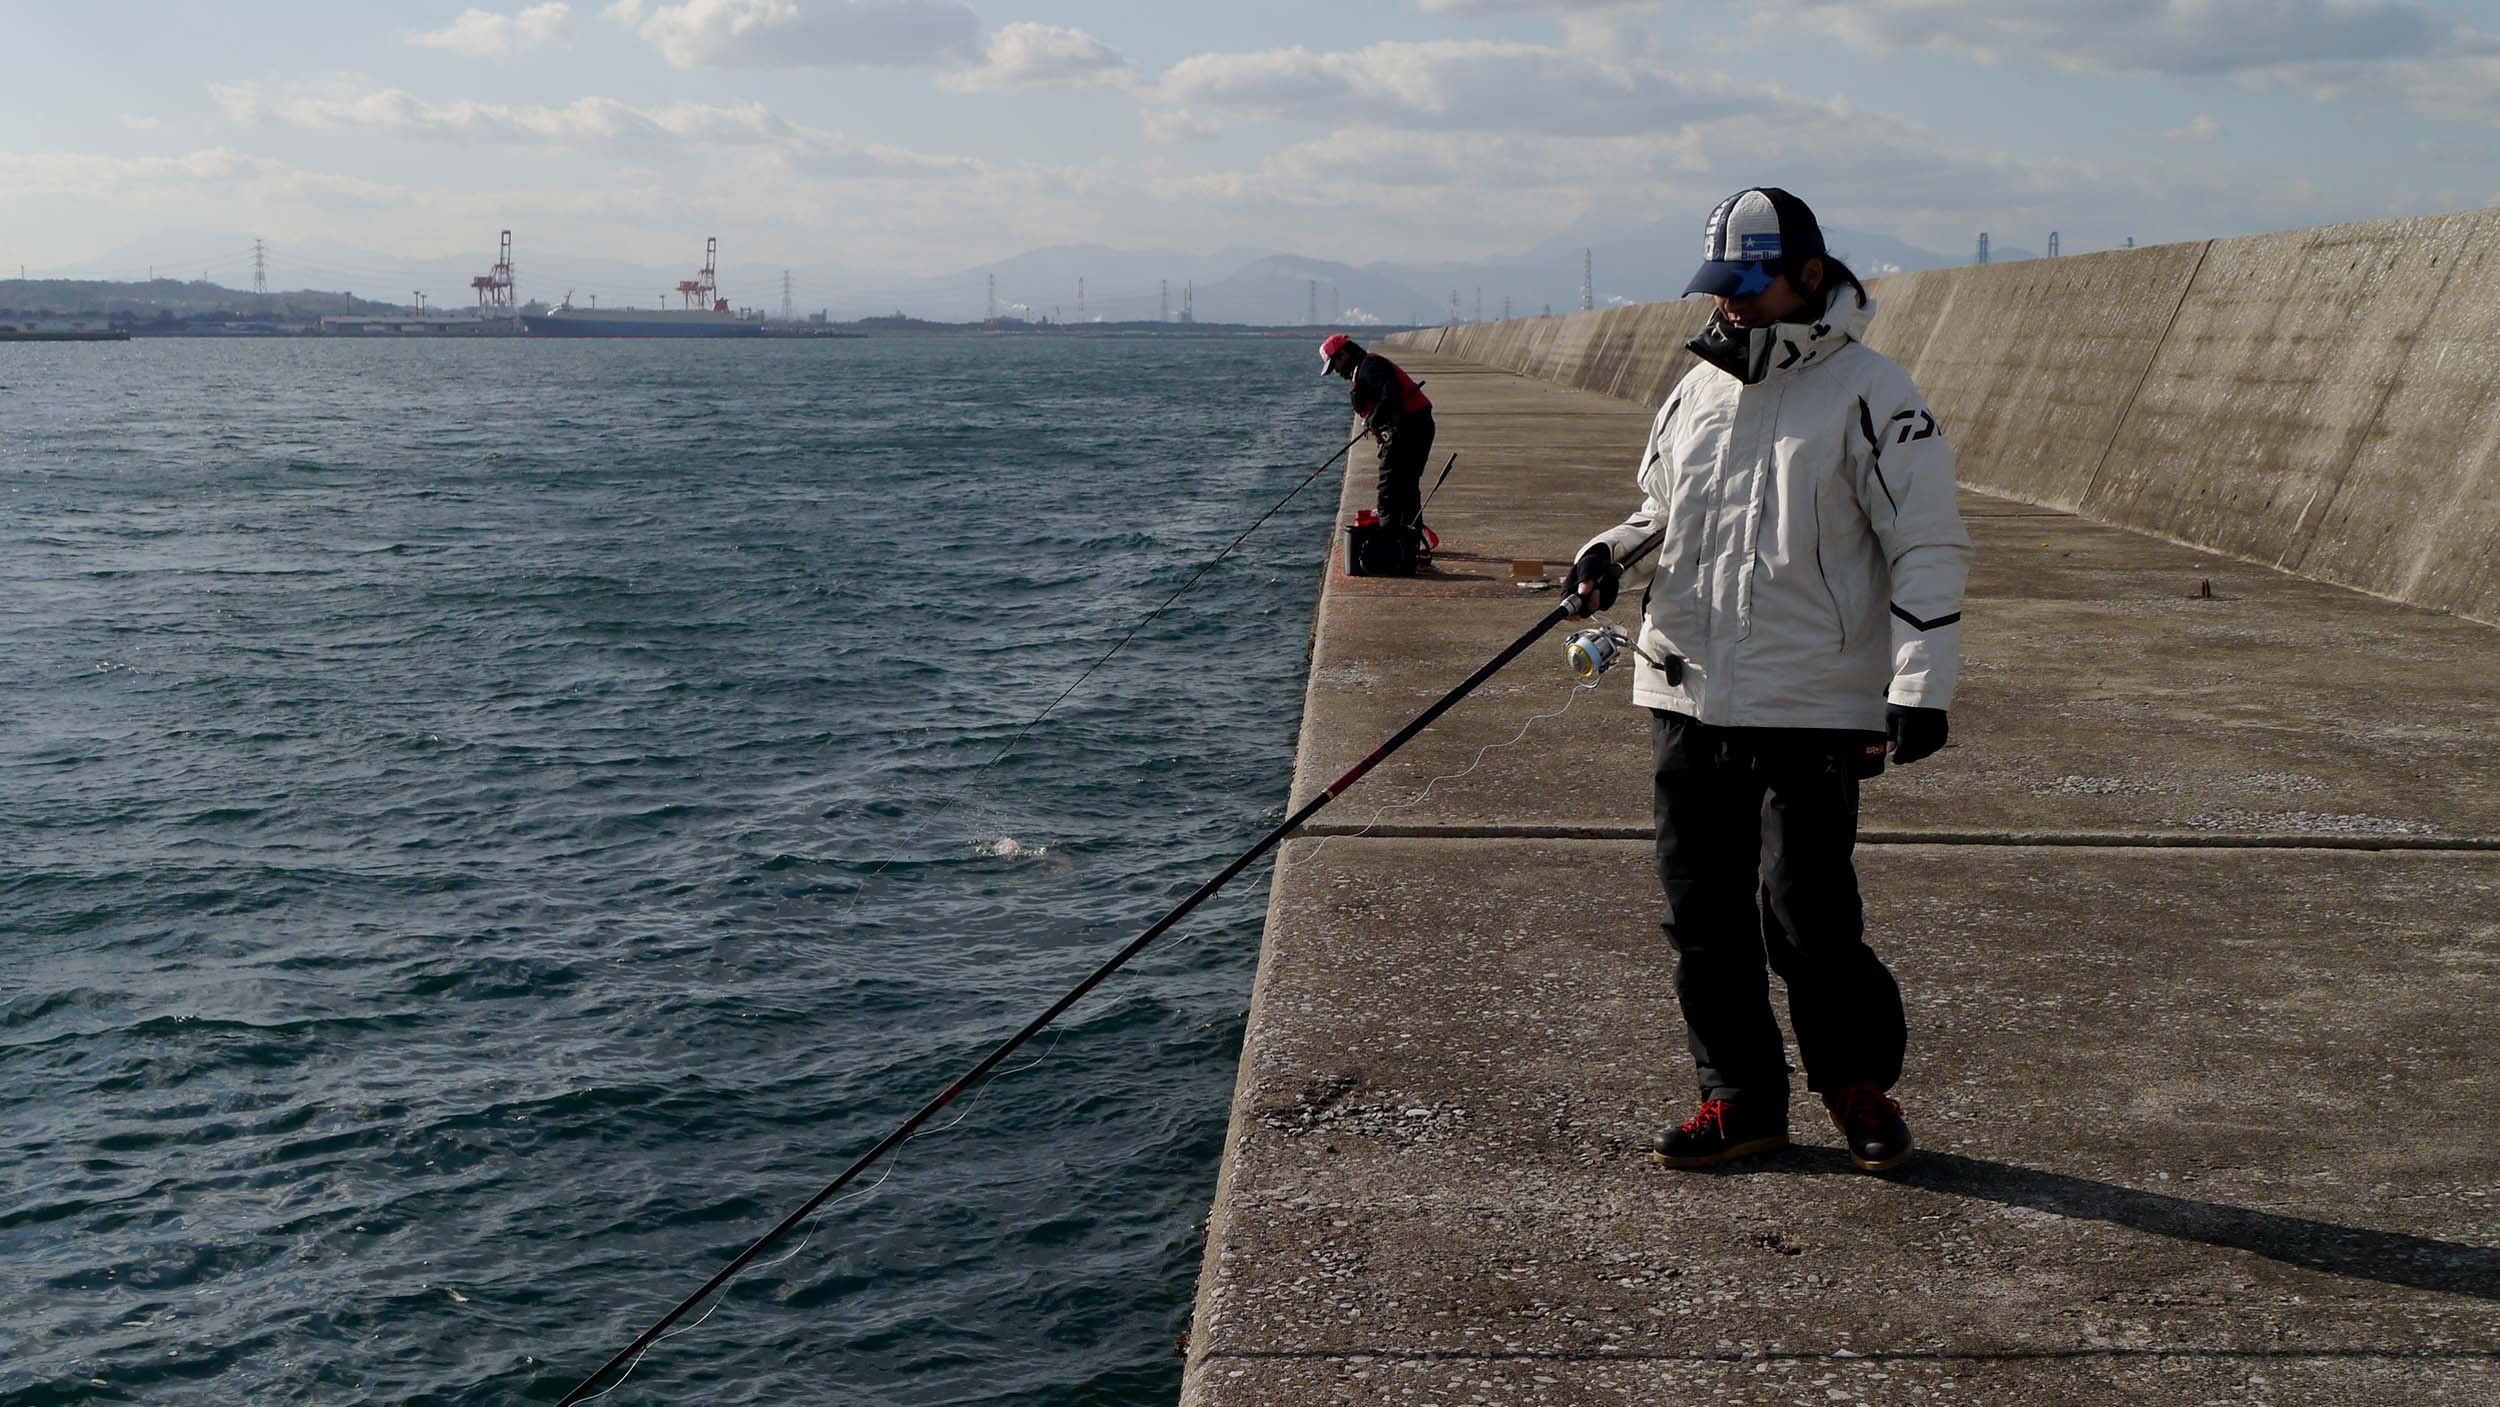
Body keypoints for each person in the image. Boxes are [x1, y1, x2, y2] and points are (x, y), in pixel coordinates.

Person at [1563, 187, 1972, 1174]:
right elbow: (1659, 511)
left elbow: (1926, 544)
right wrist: (1606, 552)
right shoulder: (1693, 391)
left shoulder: (1876, 392)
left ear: (1810, 276)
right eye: (1721, 285)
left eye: (1750, 285)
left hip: (1814, 702)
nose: (1731, 303)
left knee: (1806, 913)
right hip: (1684, 687)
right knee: (1700, 914)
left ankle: (1856, 1084)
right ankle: (1740, 1099)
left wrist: (1920, 684)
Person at [1320, 333, 1436, 540]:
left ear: (1343, 355)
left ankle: (1390, 535)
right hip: (1415, 425)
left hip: (1412, 426)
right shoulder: (1365, 368)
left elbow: (1391, 391)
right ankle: (1407, 537)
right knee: (1405, 484)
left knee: (1391, 483)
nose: (1336, 371)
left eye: (1334, 365)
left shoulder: (1369, 366)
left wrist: (1374, 419)